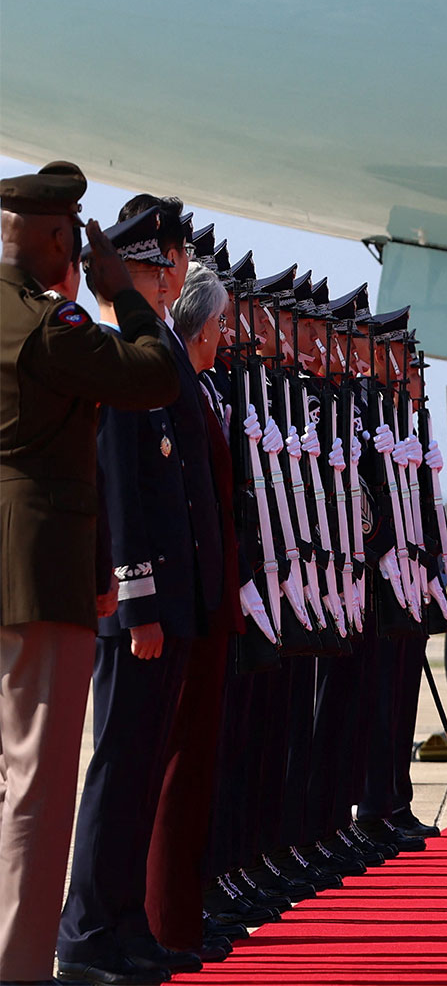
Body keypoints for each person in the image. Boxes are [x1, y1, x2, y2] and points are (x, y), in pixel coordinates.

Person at [1, 167, 178, 986]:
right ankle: (19, 968)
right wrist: (120, 294)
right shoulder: (51, 325)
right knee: (37, 789)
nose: (76, 254)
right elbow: (153, 374)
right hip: (40, 575)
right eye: (72, 240)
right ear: (48, 236)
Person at [57, 207, 211, 984]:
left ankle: (123, 924)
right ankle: (84, 931)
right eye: (163, 265)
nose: (172, 277)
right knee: (118, 766)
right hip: (139, 607)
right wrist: (142, 602)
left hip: (171, 597)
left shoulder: (155, 347)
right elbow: (120, 486)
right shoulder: (118, 350)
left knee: (142, 769)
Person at [145, 262, 243, 962]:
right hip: (184, 602)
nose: (226, 336)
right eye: (222, 324)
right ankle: (164, 923)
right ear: (202, 326)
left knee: (198, 767)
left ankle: (180, 917)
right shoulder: (173, 379)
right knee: (174, 770)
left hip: (206, 600)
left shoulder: (199, 383)